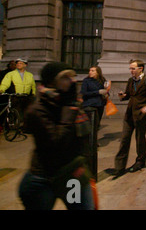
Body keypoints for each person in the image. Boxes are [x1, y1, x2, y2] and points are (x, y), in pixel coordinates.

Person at [19, 62, 95, 210]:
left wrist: (81, 164)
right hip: (44, 179)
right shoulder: (38, 110)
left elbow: (81, 138)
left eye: (72, 77)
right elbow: (56, 142)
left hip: (71, 176)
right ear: (52, 81)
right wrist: (68, 111)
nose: (72, 81)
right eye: (65, 77)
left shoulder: (69, 103)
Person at [114, 59, 146, 177]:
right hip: (129, 114)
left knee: (140, 138)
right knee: (124, 139)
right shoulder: (130, 80)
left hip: (141, 114)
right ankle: (119, 167)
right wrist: (123, 96)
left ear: (141, 69)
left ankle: (140, 161)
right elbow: (129, 95)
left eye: (133, 68)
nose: (131, 71)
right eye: (130, 68)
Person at [80, 66, 108, 137]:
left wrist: (106, 94)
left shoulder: (102, 80)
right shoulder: (86, 81)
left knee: (97, 124)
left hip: (100, 104)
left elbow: (104, 90)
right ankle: (89, 140)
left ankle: (94, 140)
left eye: (93, 71)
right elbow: (84, 93)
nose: (90, 72)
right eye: (90, 70)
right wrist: (97, 92)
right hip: (90, 104)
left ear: (98, 72)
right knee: (91, 124)